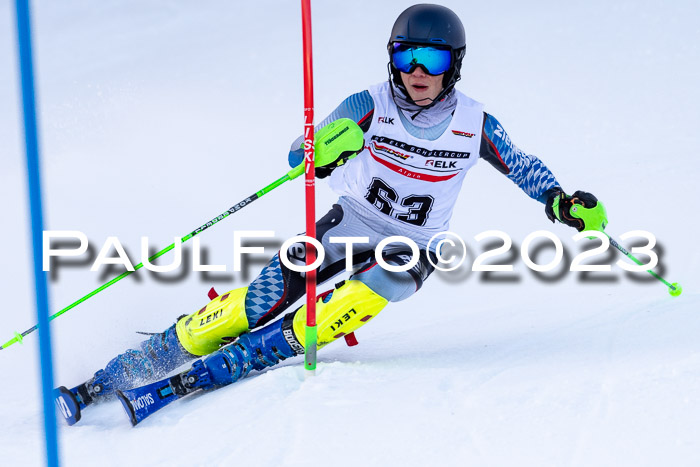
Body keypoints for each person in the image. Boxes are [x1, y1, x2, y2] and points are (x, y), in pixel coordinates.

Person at [54, 4, 607, 425]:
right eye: (405, 56)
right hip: (351, 222)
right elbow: (302, 153)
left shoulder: (473, 121)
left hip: (417, 244)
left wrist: (560, 200)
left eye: (432, 60)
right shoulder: (370, 104)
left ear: (453, 67)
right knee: (254, 302)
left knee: (370, 288)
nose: (417, 70)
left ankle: (272, 348)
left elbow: (522, 163)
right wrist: (323, 152)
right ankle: (125, 372)